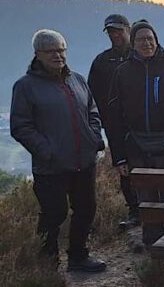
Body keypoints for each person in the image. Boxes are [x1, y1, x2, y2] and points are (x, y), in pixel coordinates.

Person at [11, 29, 106, 272]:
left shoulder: (77, 79)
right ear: (37, 54)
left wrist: (94, 137)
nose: (58, 55)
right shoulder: (25, 86)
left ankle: (78, 257)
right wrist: (47, 151)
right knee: (54, 214)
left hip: (83, 160)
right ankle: (48, 265)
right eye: (51, 51)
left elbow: (92, 111)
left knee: (86, 209)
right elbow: (21, 126)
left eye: (61, 50)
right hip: (50, 165)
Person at [107, 20, 164, 246]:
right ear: (133, 43)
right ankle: (153, 250)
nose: (146, 43)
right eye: (141, 39)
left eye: (150, 38)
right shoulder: (122, 72)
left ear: (157, 40)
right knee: (146, 201)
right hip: (136, 147)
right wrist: (119, 156)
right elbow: (113, 118)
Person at [88, 14, 139, 230]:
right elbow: (91, 97)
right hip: (115, 126)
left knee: (149, 167)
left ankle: (155, 210)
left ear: (129, 29)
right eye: (110, 31)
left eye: (118, 30)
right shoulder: (101, 61)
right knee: (124, 167)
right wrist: (100, 124)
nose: (115, 35)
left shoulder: (142, 55)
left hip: (144, 125)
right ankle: (135, 211)